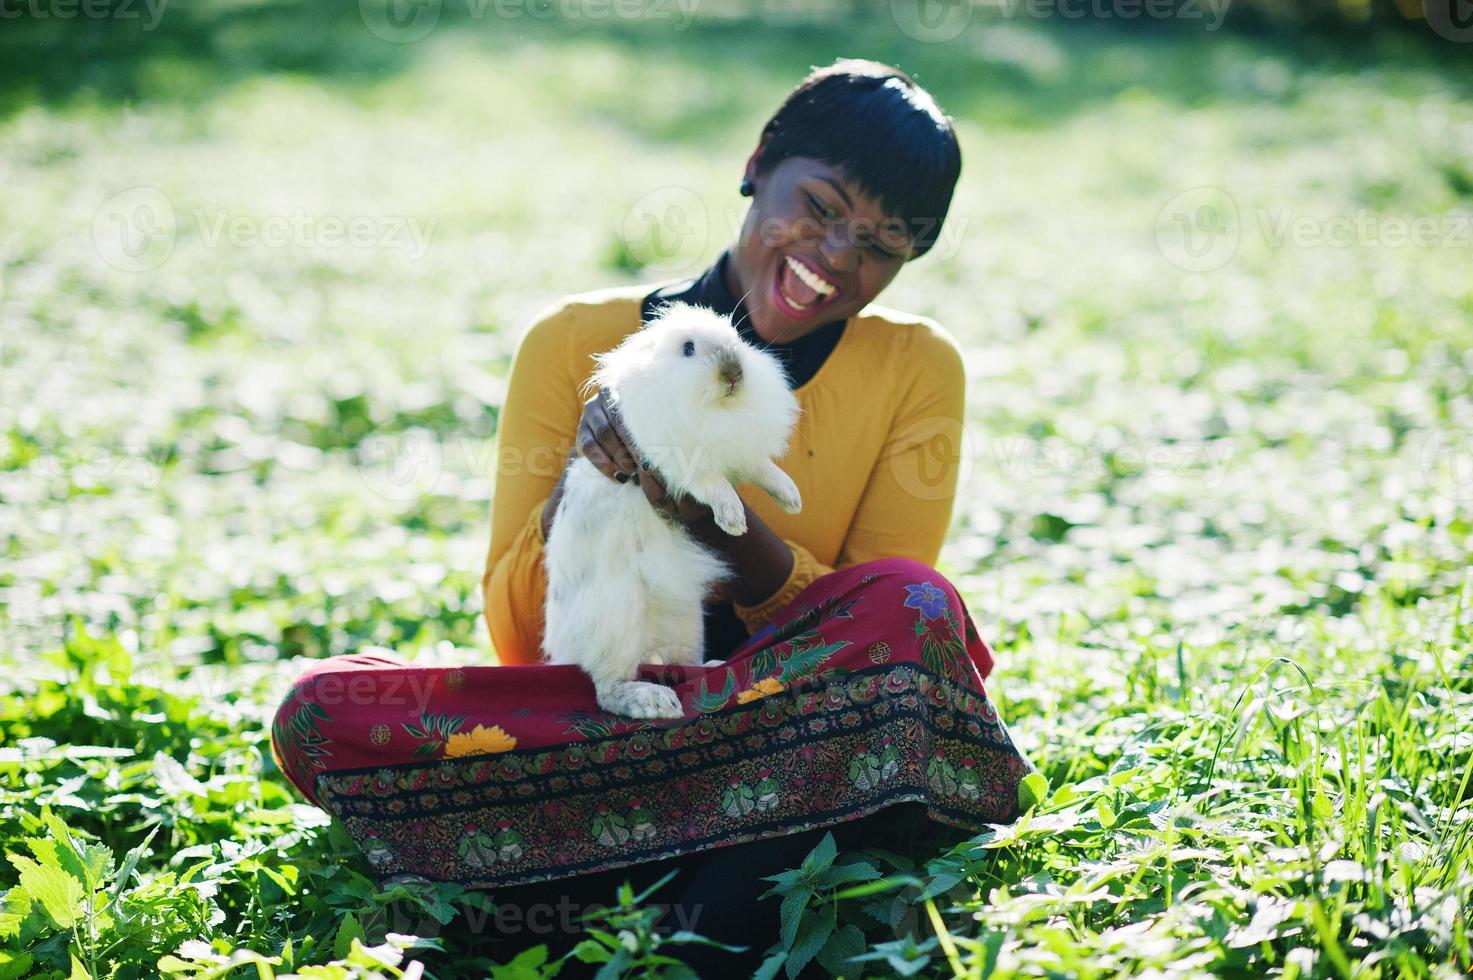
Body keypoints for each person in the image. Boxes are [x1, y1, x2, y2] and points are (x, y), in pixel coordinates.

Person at [271, 58, 1032, 976]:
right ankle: (735, 870)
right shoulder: (572, 342)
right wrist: (584, 488)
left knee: (914, 606)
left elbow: (871, 632)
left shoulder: (917, 366)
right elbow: (521, 633)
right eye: (822, 209)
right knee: (321, 711)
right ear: (758, 163)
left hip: (785, 715)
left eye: (881, 243)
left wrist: (706, 516)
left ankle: (587, 893)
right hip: (605, 724)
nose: (836, 257)